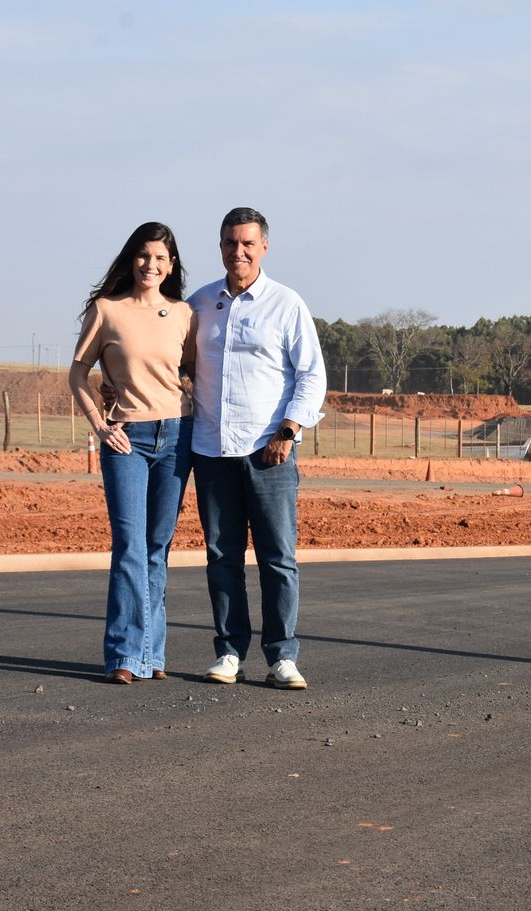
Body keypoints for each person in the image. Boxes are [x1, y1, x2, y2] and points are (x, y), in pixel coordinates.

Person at [189, 207, 326, 688]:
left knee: (277, 558)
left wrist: (288, 431)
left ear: (264, 246)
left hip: (270, 452)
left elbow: (312, 375)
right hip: (211, 451)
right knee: (222, 557)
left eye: (248, 243)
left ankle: (282, 656)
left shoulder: (286, 304)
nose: (239, 251)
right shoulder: (200, 304)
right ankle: (229, 652)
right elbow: (174, 362)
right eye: (230, 242)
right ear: (220, 246)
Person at [68, 222, 195, 684]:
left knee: (157, 548)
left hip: (177, 437)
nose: (150, 265)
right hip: (127, 439)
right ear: (131, 259)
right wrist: (100, 426)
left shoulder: (183, 314)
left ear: (171, 265)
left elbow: (192, 372)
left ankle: (152, 653)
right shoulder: (107, 310)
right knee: (129, 545)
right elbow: (77, 373)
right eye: (143, 255)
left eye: (160, 258)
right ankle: (125, 655)